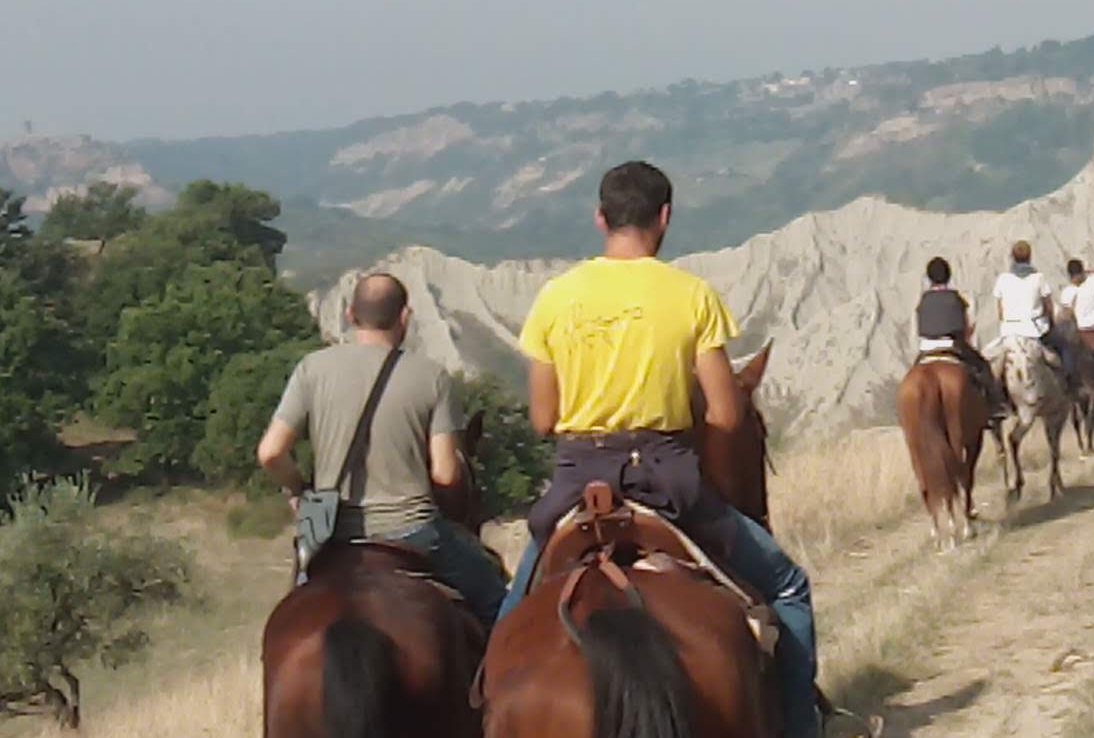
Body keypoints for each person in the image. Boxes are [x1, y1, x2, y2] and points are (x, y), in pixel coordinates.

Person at [496, 161, 819, 738]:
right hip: (667, 479)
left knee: (504, 631)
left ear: (600, 218)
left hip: (577, 482)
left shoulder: (555, 298)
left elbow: (543, 418)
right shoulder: (692, 295)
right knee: (789, 588)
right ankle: (805, 728)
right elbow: (724, 413)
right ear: (664, 218)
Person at [256, 274, 506, 629]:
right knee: (499, 604)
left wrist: (299, 491)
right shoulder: (433, 377)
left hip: (333, 534)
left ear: (349, 313)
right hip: (413, 531)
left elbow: (270, 453)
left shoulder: (311, 369)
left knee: (292, 616)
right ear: (405, 317)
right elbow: (447, 474)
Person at [916, 256, 1006, 423]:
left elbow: (921, 328)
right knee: (983, 367)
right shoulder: (956, 299)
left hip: (927, 347)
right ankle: (995, 406)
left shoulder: (924, 300)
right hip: (952, 345)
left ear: (929, 278)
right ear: (948, 276)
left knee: (913, 375)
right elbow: (963, 329)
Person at [992, 240, 1062, 372]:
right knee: (1065, 349)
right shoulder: (1039, 278)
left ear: (1012, 258)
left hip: (1009, 333)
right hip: (1035, 332)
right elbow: (1049, 307)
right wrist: (1051, 324)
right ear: (1030, 257)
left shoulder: (1002, 279)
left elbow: (1000, 312)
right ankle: (1072, 384)